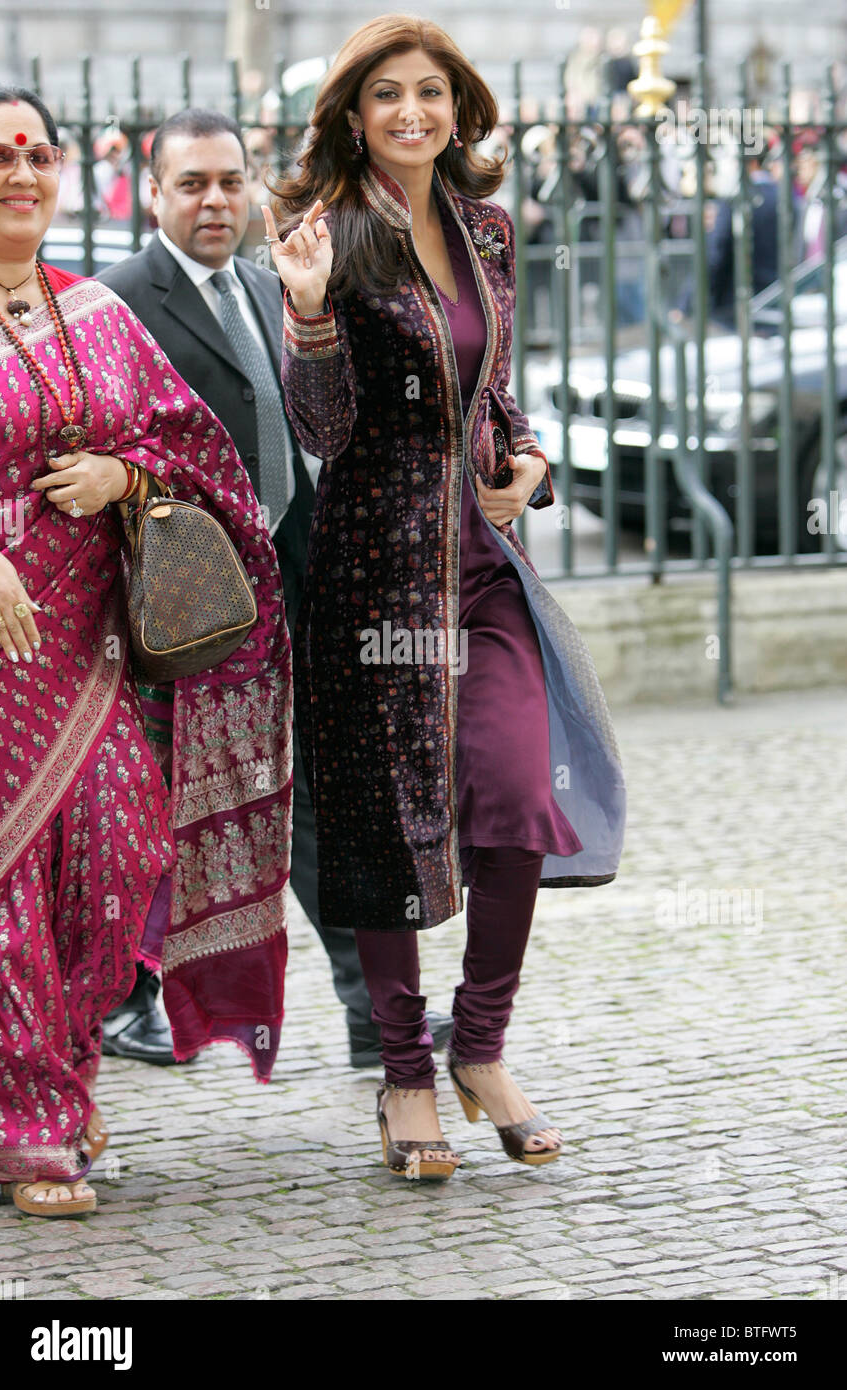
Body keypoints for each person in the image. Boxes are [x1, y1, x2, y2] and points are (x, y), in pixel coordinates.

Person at [263, 16, 626, 1181]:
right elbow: (319, 431)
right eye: (386, 96)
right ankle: (404, 1076)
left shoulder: (484, 228)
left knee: (516, 797)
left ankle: (478, 1046)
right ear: (353, 116)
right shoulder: (327, 234)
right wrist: (310, 310)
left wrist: (526, 460)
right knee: (386, 824)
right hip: (373, 568)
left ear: (456, 107)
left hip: (478, 562)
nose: (411, 113)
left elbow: (492, 390)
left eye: (430, 93)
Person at [0, 85, 293, 1216]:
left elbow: (196, 453)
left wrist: (128, 476)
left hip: (87, 652)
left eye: (39, 155)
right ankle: (25, 1122)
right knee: (1, 888)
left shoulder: (93, 314)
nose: (21, 174)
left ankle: (55, 1076)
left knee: (114, 865)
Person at [97, 108, 452, 1069]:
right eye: (191, 184)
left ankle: (374, 1021)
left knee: (319, 805)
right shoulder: (115, 302)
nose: (215, 200)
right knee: (160, 813)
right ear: (154, 192)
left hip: (290, 595)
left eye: (229, 180)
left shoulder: (269, 285)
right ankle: (124, 1001)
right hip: (183, 611)